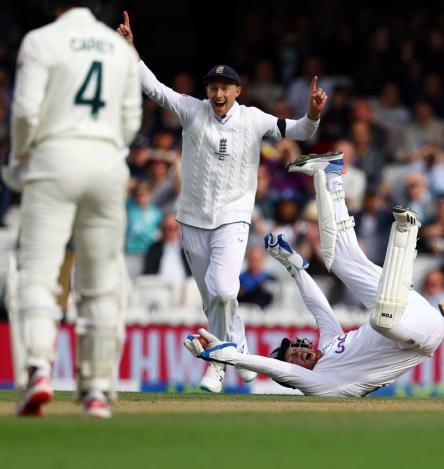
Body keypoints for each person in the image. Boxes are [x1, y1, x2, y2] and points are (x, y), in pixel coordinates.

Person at [117, 12, 327, 392]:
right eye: (212, 87)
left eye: (223, 88)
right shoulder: (191, 110)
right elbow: (154, 88)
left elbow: (298, 130)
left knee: (224, 290)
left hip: (232, 219)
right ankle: (240, 345)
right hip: (192, 220)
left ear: (237, 91)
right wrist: (131, 49)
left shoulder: (253, 119)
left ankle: (217, 364)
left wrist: (312, 113)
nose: (216, 95)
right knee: (212, 298)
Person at [184, 152, 444, 396]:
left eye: (295, 350)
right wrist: (221, 355)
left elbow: (319, 308)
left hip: (407, 307)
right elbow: (272, 367)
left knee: (341, 260)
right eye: (294, 360)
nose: (298, 354)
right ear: (295, 375)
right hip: (420, 335)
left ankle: (331, 174)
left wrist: (294, 268)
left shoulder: (330, 344)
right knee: (382, 320)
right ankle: (405, 238)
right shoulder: (321, 382)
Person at [7, 1, 142, 418]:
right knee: (100, 282)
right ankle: (97, 389)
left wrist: (18, 156)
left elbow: (27, 111)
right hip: (106, 163)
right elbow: (131, 121)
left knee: (39, 273)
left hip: (54, 160)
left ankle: (38, 371)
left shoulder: (41, 40)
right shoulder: (119, 48)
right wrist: (102, 146)